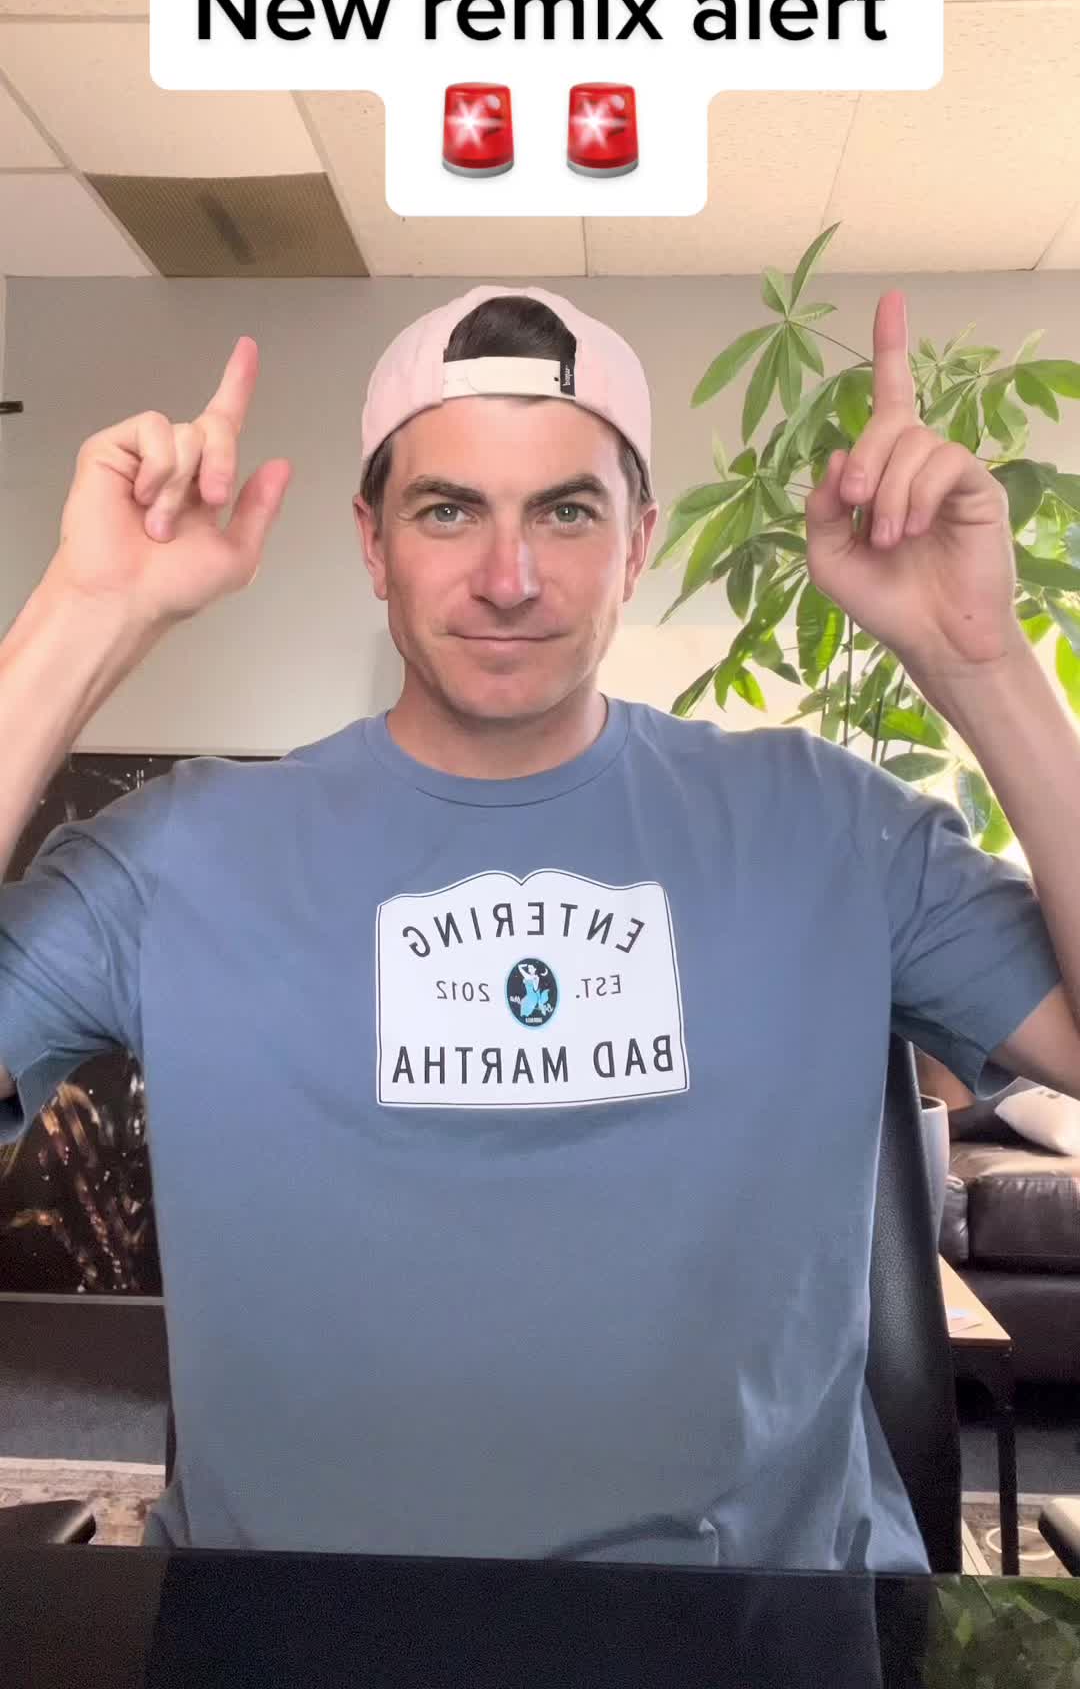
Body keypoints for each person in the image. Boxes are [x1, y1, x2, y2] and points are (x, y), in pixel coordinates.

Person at [0, 284, 1072, 1571]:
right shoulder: (177, 855)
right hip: (289, 1627)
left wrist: (980, 663)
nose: (508, 580)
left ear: (638, 543)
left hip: (759, 1629)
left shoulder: (830, 826)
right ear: (372, 542)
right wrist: (84, 616)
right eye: (447, 510)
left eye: (567, 512)